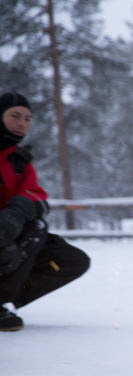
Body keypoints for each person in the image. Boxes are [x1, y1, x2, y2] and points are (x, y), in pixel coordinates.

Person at [0, 91, 90, 331]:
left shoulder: (19, 161)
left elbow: (36, 194)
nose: (22, 123)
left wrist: (16, 213)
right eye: (15, 116)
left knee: (71, 260)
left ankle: (2, 300)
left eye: (28, 119)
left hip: (11, 235)